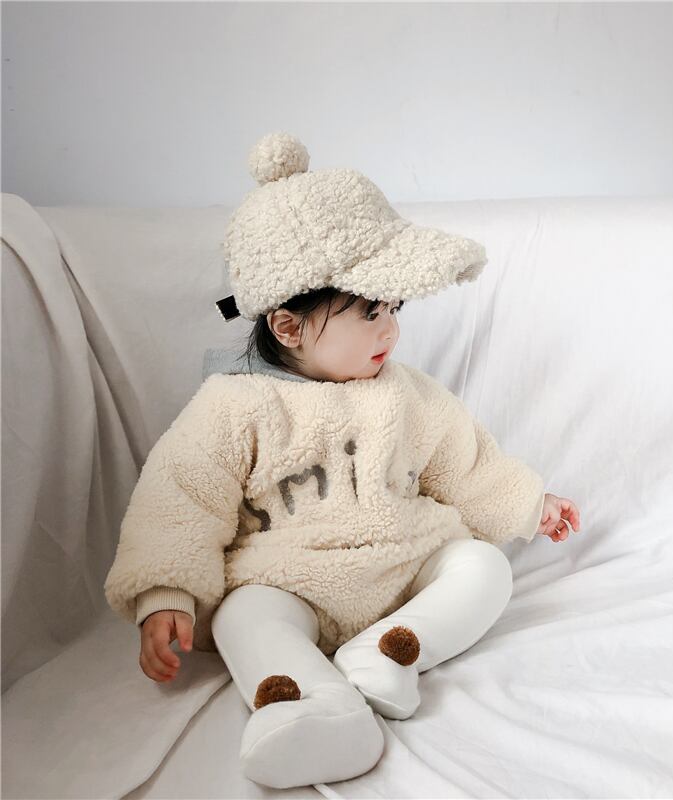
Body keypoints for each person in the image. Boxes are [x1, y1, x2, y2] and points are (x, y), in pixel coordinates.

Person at [103, 132, 582, 789]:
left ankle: (389, 653)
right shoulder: (234, 405)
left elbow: (464, 461)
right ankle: (308, 706)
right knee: (245, 615)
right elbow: (181, 497)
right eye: (369, 311)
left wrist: (529, 504)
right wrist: (167, 593)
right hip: (288, 580)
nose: (391, 329)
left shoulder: (404, 393)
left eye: (393, 308)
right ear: (289, 326)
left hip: (404, 567)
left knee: (484, 566)